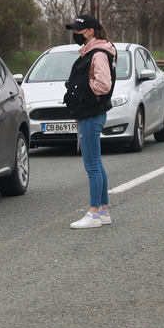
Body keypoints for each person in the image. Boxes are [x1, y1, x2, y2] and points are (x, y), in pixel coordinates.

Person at [63, 14, 117, 229]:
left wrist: (82, 95)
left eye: (79, 30)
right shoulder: (94, 51)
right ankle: (103, 211)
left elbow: (103, 85)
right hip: (91, 112)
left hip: (90, 113)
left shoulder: (98, 53)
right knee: (97, 163)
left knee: (92, 166)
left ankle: (93, 214)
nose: (75, 34)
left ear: (90, 31)